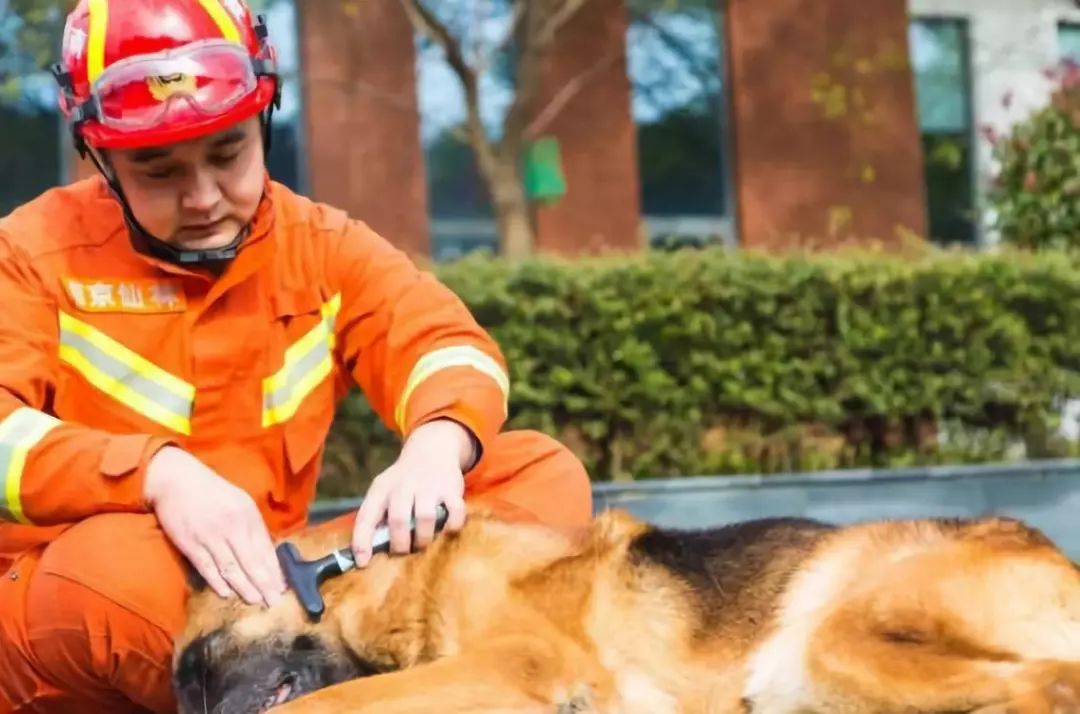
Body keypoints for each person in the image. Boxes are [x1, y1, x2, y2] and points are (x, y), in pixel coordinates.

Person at [0, 1, 593, 711]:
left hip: (278, 588)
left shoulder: (323, 245)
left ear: (265, 120)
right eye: (159, 172)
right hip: (83, 603)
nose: (204, 197)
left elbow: (446, 343)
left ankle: (371, 685)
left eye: (228, 154)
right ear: (98, 157)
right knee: (112, 574)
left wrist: (435, 451)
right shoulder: (30, 253)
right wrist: (156, 475)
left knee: (535, 472)